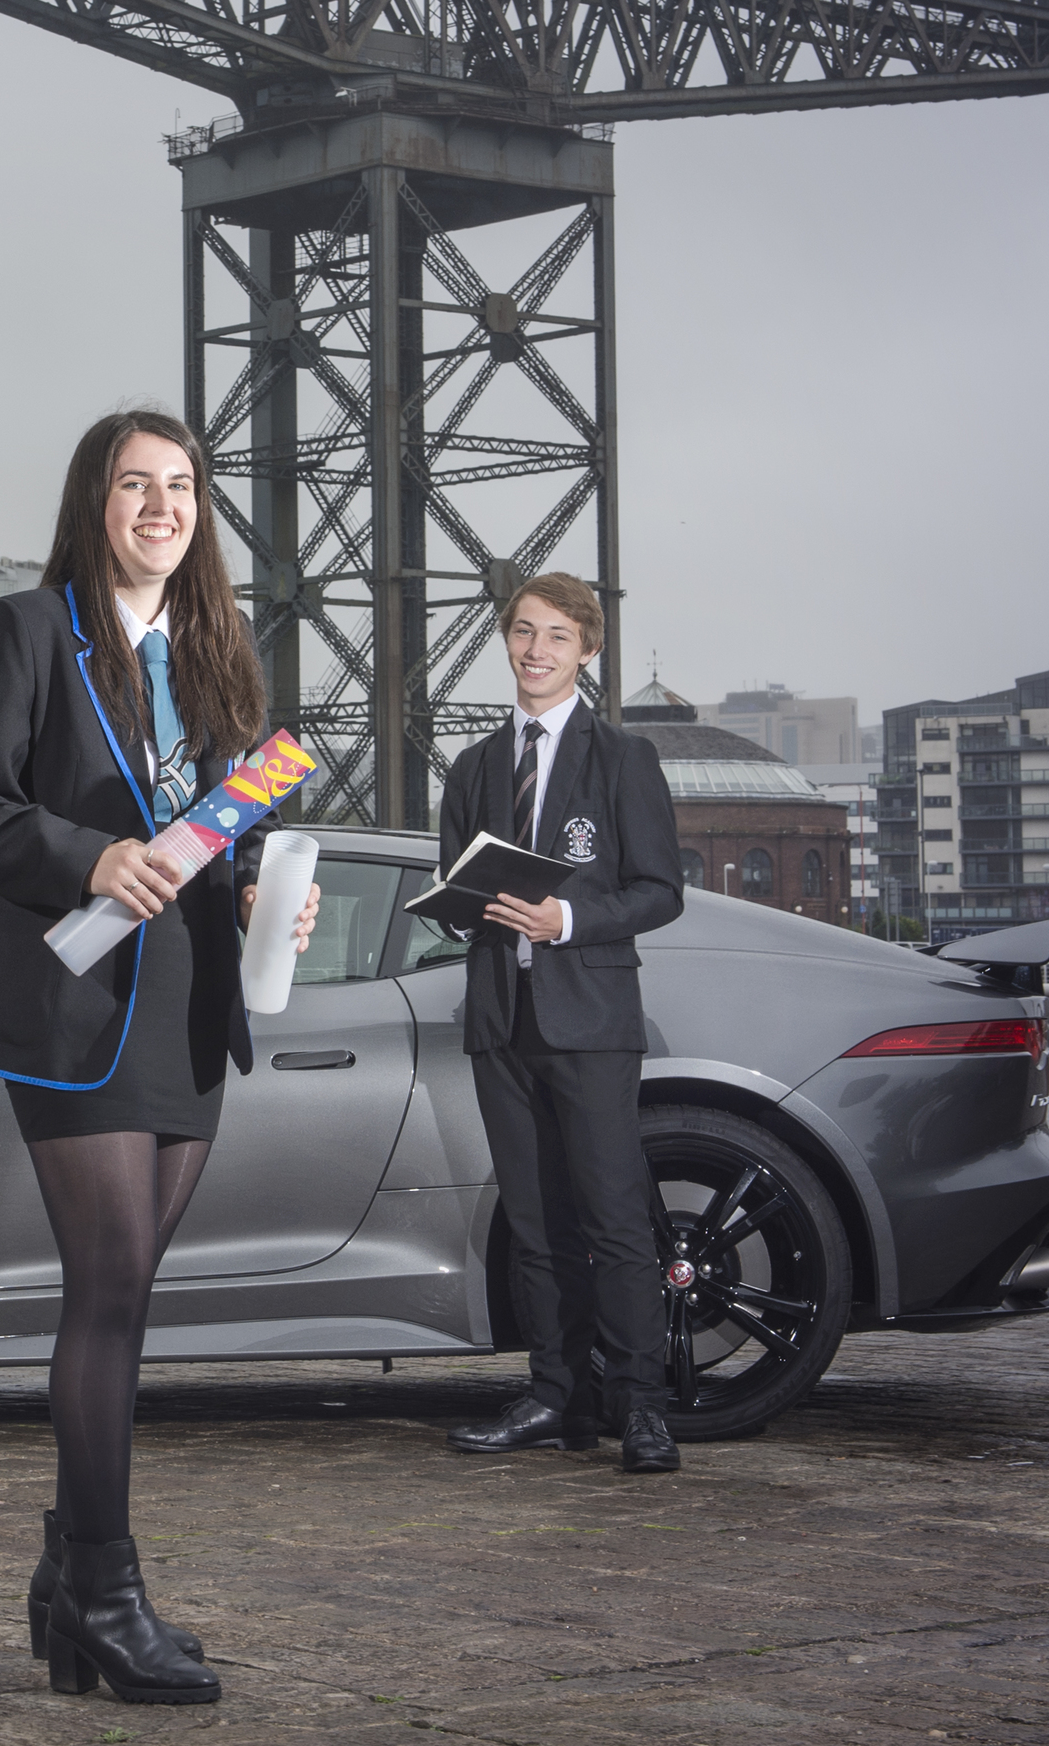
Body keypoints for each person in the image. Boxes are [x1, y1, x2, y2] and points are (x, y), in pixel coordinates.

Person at [0, 410, 316, 1707]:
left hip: (190, 1010)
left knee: (128, 1300)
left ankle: (63, 1578)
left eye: (180, 486)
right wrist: (86, 857)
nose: (160, 505)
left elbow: (226, 829)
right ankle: (104, 1591)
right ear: (93, 501)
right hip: (74, 1013)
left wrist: (270, 894)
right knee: (105, 1289)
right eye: (133, 484)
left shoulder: (216, 649)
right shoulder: (27, 633)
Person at [426, 571, 687, 1473]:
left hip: (592, 1020)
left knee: (615, 1219)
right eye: (523, 633)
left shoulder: (624, 762)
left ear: (587, 652)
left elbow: (660, 893)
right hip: (503, 1021)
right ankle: (553, 1397)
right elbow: (455, 896)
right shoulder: (473, 768)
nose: (535, 652)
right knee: (534, 1225)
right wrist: (459, 909)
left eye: (556, 638)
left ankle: (642, 1408)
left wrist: (566, 919)